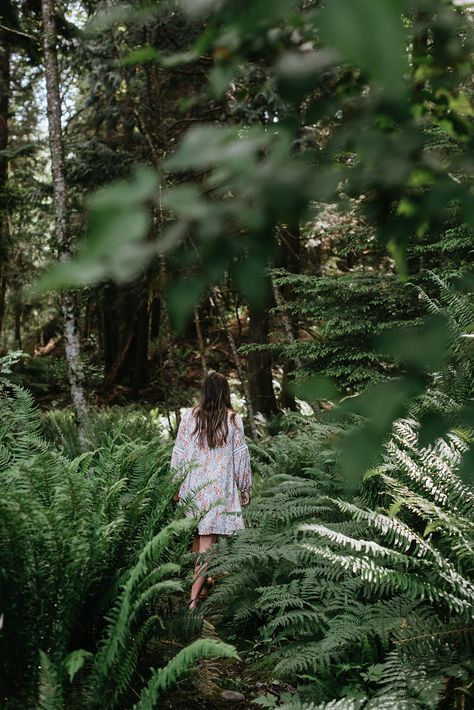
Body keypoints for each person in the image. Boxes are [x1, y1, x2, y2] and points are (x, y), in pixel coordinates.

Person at [171, 372, 252, 609]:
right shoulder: (233, 419)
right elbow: (241, 458)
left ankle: (203, 585)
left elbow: (179, 454)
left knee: (202, 538)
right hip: (218, 491)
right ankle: (193, 603)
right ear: (225, 392)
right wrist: (245, 488)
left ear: (204, 392)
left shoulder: (189, 417)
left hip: (195, 488)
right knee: (206, 544)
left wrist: (176, 484)